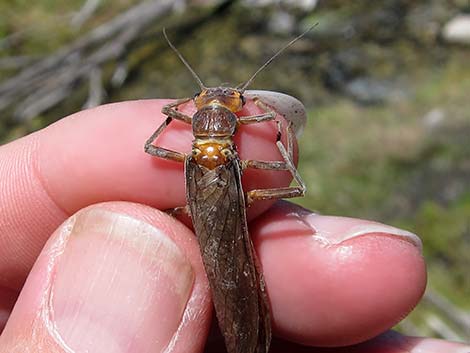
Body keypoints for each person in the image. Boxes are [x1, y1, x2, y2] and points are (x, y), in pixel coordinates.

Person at [0, 99, 467, 353]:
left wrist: (174, 120)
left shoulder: (189, 144)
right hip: (219, 212)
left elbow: (152, 147)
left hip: (213, 218)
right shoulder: (231, 149)